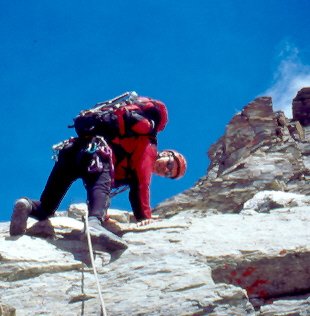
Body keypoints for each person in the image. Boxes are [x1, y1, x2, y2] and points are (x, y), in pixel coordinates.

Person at [9, 94, 187, 250]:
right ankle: (94, 223)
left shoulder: (129, 139)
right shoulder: (148, 146)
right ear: (165, 153)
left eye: (169, 174)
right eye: (170, 164)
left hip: (72, 152)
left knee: (46, 208)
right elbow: (141, 184)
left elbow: (102, 192)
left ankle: (27, 205)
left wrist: (105, 212)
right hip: (97, 157)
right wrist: (144, 217)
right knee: (102, 182)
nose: (166, 170)